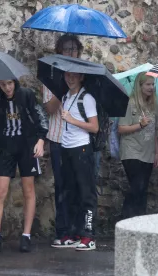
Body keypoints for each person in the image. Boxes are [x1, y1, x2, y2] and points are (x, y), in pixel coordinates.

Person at [0, 79, 47, 254]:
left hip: (27, 146)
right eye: (3, 85)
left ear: (15, 83)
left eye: (10, 83)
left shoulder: (26, 95)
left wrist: (40, 141)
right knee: (0, 191)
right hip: (7, 147)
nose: (7, 88)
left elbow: (40, 118)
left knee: (28, 190)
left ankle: (26, 235)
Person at [43, 34, 84, 248]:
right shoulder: (51, 76)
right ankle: (62, 231)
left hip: (79, 140)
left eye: (74, 49)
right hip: (58, 138)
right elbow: (49, 109)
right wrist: (62, 87)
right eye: (67, 49)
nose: (71, 52)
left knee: (78, 186)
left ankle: (78, 232)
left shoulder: (83, 75)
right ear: (59, 51)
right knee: (62, 186)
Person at [59, 71, 99, 251]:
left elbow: (94, 127)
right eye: (67, 75)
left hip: (82, 149)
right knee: (71, 192)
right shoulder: (65, 97)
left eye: (74, 75)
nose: (70, 78)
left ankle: (88, 235)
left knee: (86, 193)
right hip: (67, 149)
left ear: (81, 77)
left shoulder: (87, 98)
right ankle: (74, 233)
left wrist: (71, 119)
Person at [118, 72, 158, 219]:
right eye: (148, 84)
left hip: (148, 153)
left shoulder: (153, 105)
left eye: (153, 84)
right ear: (140, 85)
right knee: (137, 186)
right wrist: (139, 125)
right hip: (132, 151)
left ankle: (140, 222)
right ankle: (125, 220)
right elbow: (121, 129)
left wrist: (156, 152)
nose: (151, 87)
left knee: (143, 190)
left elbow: (155, 131)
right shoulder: (130, 104)